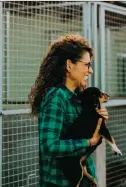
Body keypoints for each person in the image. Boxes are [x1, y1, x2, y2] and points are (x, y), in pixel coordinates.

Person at [28, 35, 108, 187]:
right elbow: (49, 146)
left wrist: (97, 123)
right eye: (86, 65)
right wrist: (87, 141)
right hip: (60, 182)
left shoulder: (78, 97)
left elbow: (83, 143)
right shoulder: (56, 97)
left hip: (84, 179)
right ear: (69, 65)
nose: (90, 71)